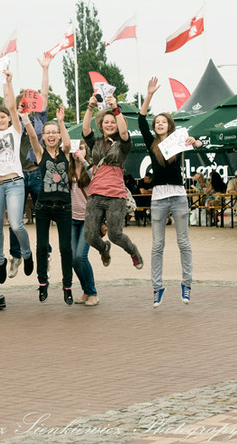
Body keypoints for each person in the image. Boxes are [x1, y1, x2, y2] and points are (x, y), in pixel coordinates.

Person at [139, 77, 203, 307]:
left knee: (184, 243)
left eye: (163, 122)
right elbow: (140, 120)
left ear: (170, 125)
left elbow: (198, 144)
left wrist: (194, 142)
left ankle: (187, 284)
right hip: (158, 197)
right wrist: (149, 95)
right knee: (157, 245)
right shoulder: (151, 143)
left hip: (178, 196)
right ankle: (158, 287)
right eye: (156, 122)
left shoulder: (179, 140)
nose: (158, 124)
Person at [82, 93, 144, 270]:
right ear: (101, 125)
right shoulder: (95, 142)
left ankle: (133, 251)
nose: (109, 125)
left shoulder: (123, 143)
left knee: (115, 235)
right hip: (95, 195)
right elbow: (86, 130)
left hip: (116, 196)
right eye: (106, 122)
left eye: (113, 122)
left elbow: (124, 132)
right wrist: (90, 106)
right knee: (90, 235)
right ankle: (104, 249)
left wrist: (116, 109)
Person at [0, 69, 34, 284]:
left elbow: (12, 106)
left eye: (2, 117)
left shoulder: (15, 131)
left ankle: (26, 253)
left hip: (15, 183)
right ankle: (0, 261)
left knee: (16, 224)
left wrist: (8, 82)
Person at [21, 105, 73, 305]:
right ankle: (43, 283)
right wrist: (25, 117)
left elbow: (68, 143)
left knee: (65, 248)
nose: (51, 136)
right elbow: (32, 137)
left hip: (63, 208)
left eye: (54, 133)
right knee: (42, 247)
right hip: (43, 206)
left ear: (58, 135)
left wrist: (60, 121)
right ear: (43, 136)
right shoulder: (40, 153)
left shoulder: (65, 153)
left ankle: (67, 286)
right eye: (47, 133)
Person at [8, 53, 53, 278]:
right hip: (17, 175)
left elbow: (43, 94)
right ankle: (16, 255)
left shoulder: (38, 120)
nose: (25, 107)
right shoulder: (14, 124)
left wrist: (45, 69)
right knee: (14, 219)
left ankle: (46, 253)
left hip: (36, 174)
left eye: (27, 104)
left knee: (42, 216)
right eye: (21, 105)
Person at [69, 142, 98, 305]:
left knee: (81, 255)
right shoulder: (68, 169)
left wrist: (84, 161)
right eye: (75, 148)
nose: (77, 151)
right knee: (73, 258)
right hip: (72, 218)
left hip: (88, 218)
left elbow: (97, 180)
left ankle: (93, 292)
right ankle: (86, 291)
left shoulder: (91, 168)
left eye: (81, 148)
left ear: (86, 151)